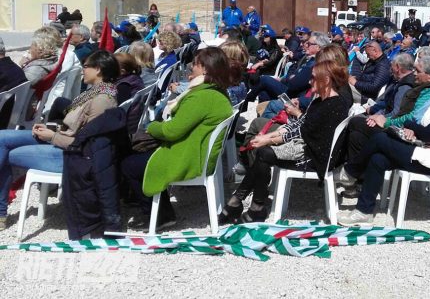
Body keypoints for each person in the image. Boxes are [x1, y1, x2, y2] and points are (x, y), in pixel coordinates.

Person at [337, 62, 430, 226]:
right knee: (378, 159)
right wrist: (414, 128)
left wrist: (411, 126)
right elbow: (421, 126)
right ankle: (364, 211)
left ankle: (350, 171)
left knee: (380, 138)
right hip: (422, 149)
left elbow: (428, 134)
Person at [219, 59, 351, 224]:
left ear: (326, 80)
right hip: (308, 148)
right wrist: (268, 137)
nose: (309, 81)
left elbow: (303, 133)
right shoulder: (320, 101)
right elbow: (299, 125)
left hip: (316, 158)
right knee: (262, 150)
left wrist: (268, 140)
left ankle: (246, 204)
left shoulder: (335, 106)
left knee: (264, 153)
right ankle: (248, 205)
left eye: (313, 77)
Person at [0, 50, 119, 230]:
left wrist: (53, 136)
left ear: (98, 69)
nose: (83, 70)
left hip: (70, 155)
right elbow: (75, 127)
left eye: (86, 66)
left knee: (6, 152)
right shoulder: (95, 92)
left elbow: (87, 144)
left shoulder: (102, 101)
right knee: (1, 138)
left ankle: (0, 213)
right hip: (60, 138)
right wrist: (51, 130)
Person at [121, 47, 235, 230]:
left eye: (195, 64)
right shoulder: (216, 91)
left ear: (205, 69)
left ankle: (158, 215)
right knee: (136, 157)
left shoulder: (201, 96)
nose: (191, 67)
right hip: (198, 152)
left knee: (129, 165)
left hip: (190, 157)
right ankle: (160, 210)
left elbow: (172, 131)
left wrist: (151, 127)